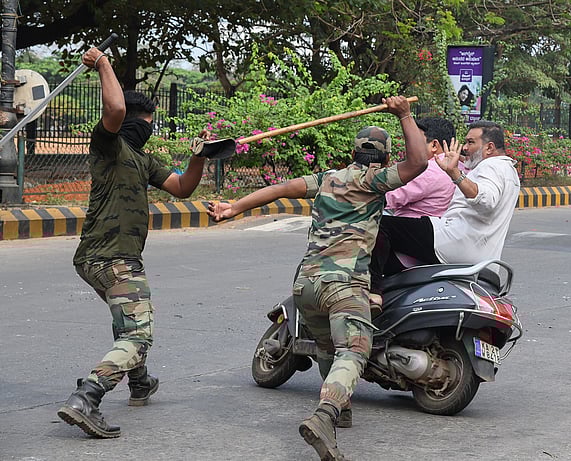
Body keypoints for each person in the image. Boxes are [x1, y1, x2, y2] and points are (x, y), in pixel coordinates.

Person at [208, 96, 444, 461]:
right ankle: (324, 416)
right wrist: (405, 115)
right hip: (344, 284)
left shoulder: (327, 179)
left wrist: (234, 207)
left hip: (306, 285)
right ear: (382, 157)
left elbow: (282, 189)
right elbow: (418, 162)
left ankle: (342, 406)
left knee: (327, 350)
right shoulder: (374, 181)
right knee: (354, 350)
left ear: (354, 152)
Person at [57, 46, 209, 439]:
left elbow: (182, 188)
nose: (146, 129)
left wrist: (199, 157)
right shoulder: (108, 147)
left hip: (99, 258)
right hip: (114, 258)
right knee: (137, 334)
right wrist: (104, 65)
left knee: (126, 318)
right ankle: (87, 397)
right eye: (145, 122)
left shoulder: (142, 159)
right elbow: (115, 114)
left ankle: (139, 381)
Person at [370, 120, 520, 293]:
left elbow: (486, 199)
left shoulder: (491, 166)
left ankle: (374, 291)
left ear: (489, 148)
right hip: (475, 249)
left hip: (454, 240)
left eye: (471, 142)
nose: (464, 147)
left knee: (378, 226)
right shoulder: (508, 171)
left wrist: (454, 173)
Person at [385, 117, 466, 218]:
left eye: (416, 141)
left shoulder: (427, 169)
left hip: (411, 227)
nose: (411, 146)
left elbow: (390, 197)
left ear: (434, 145)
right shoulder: (462, 167)